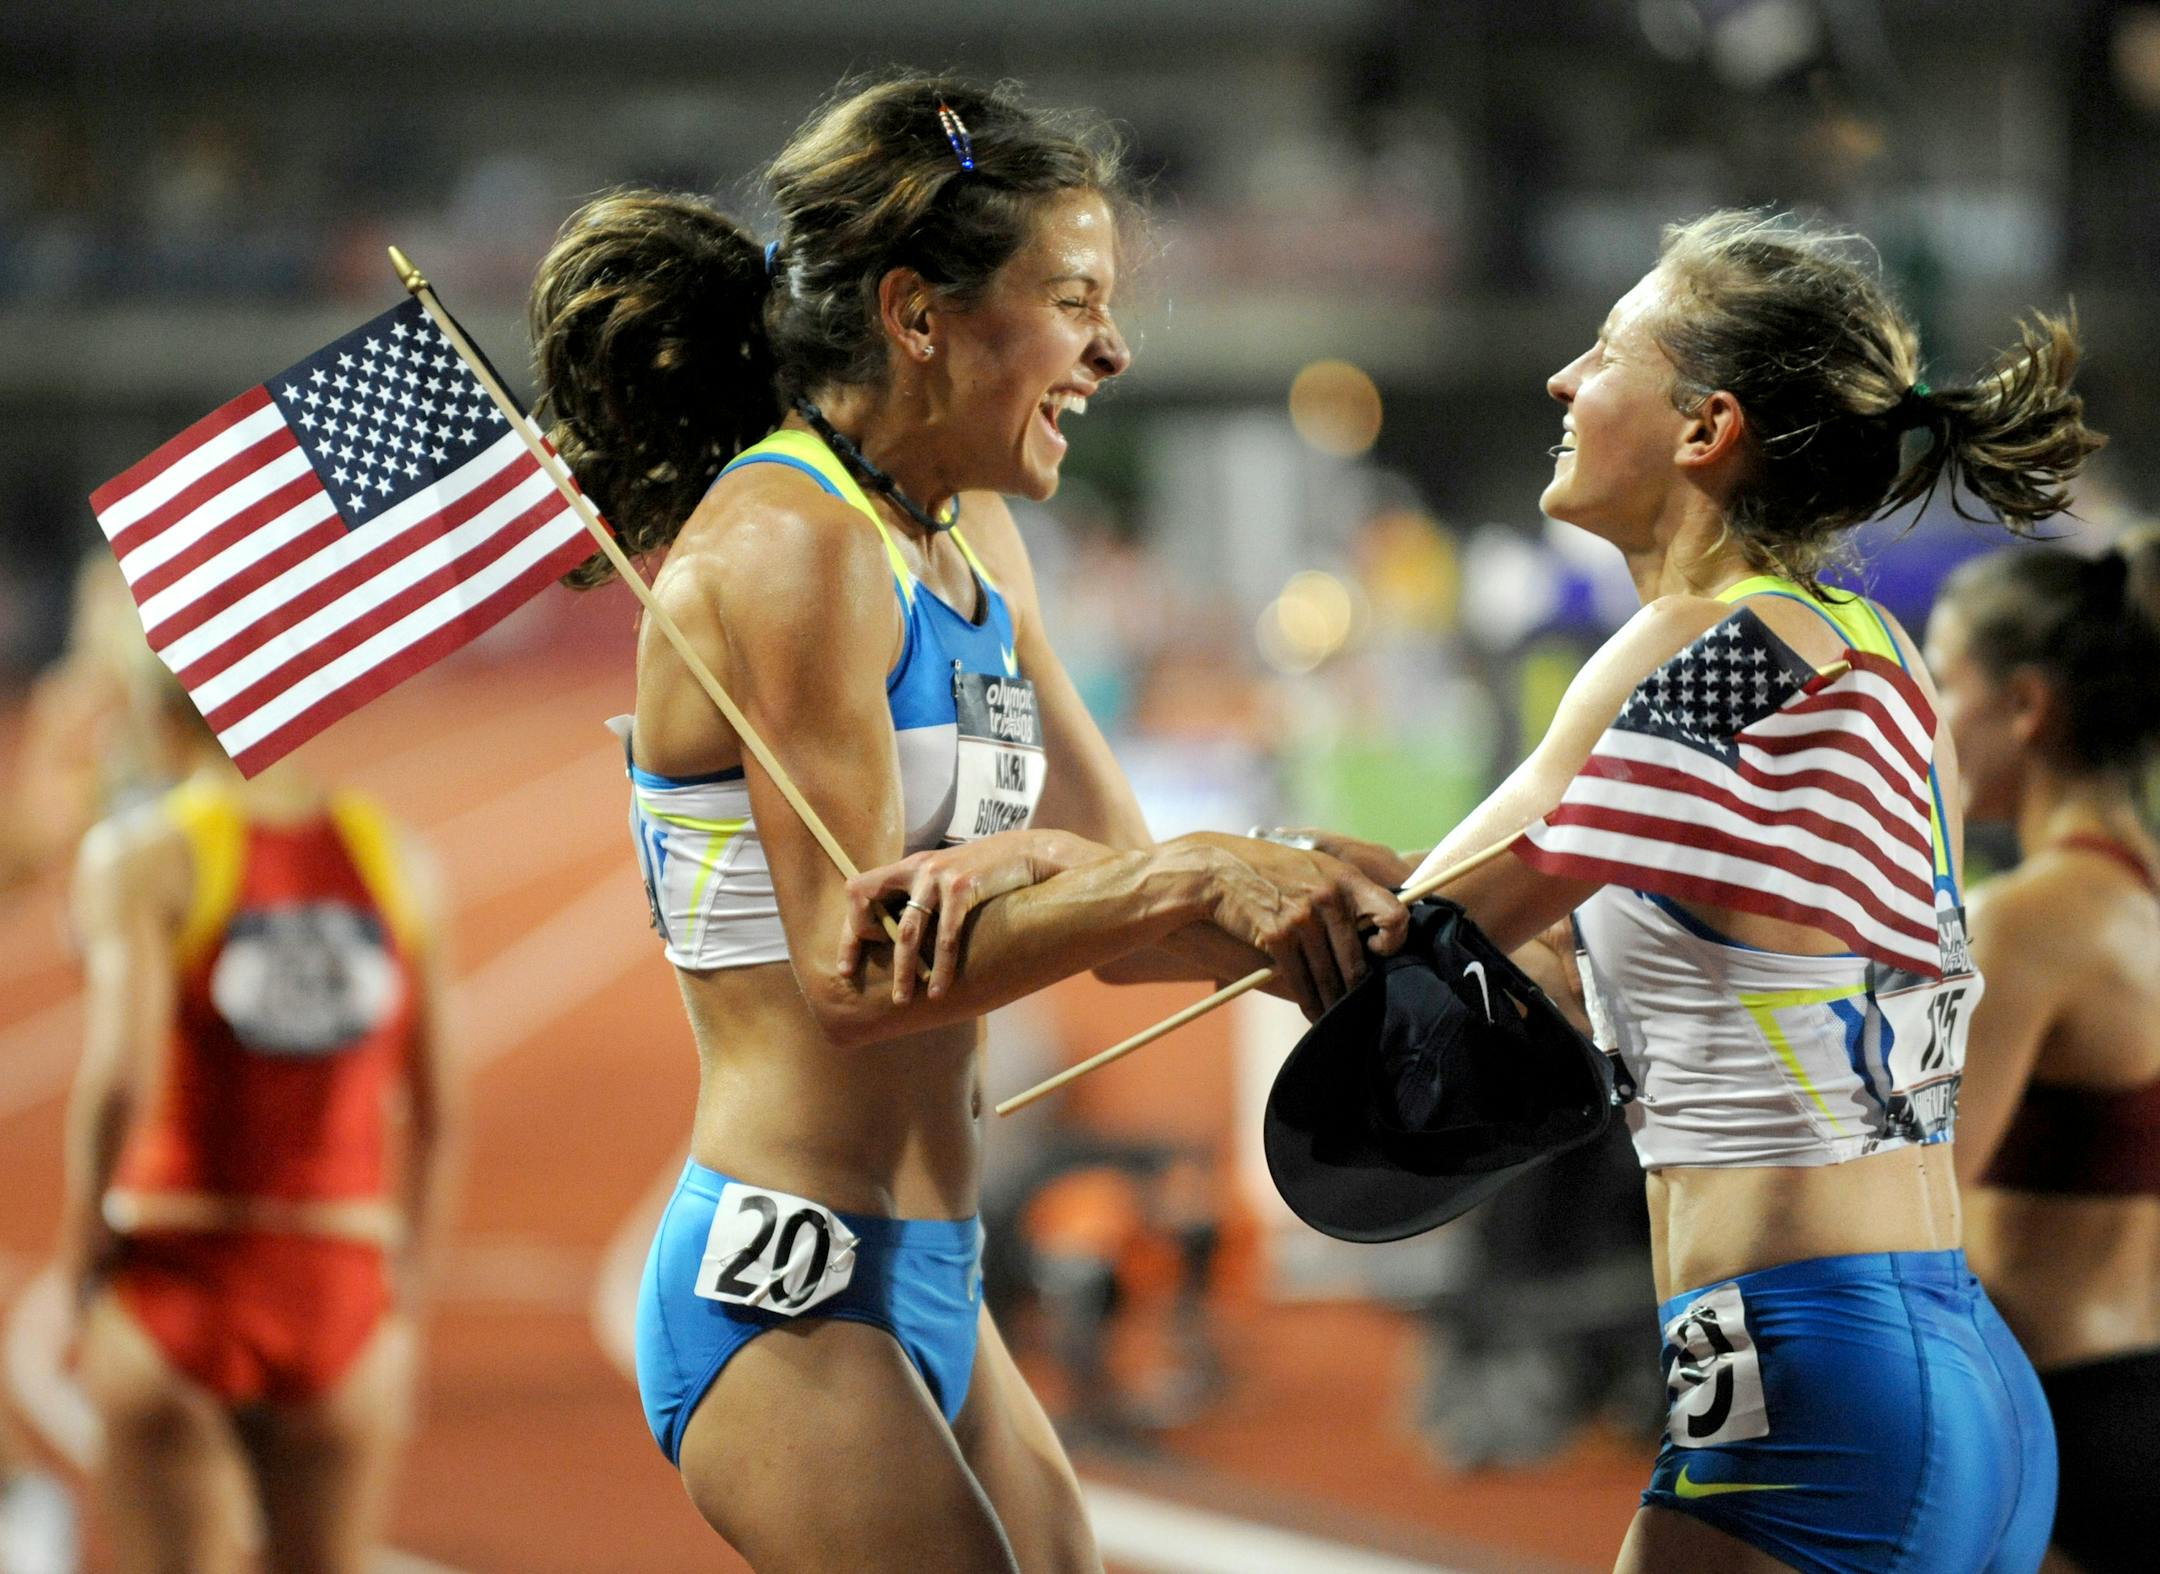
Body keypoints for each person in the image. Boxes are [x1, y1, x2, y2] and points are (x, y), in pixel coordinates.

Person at [863, 210, 2102, 1573]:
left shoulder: (1682, 649)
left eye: (1610, 350)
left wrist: (1068, 872)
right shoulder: (1844, 645)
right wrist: (1152, 873)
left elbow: (1395, 945)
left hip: (1814, 1387)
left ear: (1707, 430)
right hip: (1951, 1375)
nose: (1565, 379)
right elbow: (1430, 896)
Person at [526, 72, 1407, 1572]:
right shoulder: (788, 543)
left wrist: (1388, 914)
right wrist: (1162, 869)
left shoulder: (969, 536)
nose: (1113, 350)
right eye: (1072, 300)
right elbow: (854, 975)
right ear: (918, 315)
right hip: (785, 1289)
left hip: (938, 1265)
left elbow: (1136, 915)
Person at [55, 657, 457, 1574]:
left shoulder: (146, 857)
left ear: (165, 717)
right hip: (339, 1277)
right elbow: (440, 1111)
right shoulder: (398, 860)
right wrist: (407, 1308)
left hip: (181, 1268)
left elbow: (120, 1078)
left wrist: (82, 1246)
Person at [1926, 536, 2160, 1574]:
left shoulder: (2025, 921)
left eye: (1943, 682)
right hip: (2134, 1403)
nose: (1928, 722)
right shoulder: (2140, 901)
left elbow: (1915, 1200)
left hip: (2049, 1425)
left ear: (2025, 705)